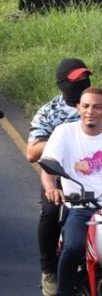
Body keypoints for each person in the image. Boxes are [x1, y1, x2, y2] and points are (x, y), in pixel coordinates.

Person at [28, 59, 91, 296]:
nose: (83, 83)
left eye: (86, 78)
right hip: (62, 177)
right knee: (52, 210)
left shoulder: (96, 105)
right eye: (77, 80)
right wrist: (63, 143)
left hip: (97, 176)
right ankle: (49, 270)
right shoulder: (50, 113)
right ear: (63, 84)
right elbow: (32, 152)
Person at [40, 87, 102, 296]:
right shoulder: (64, 132)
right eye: (85, 106)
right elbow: (49, 165)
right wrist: (51, 188)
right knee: (73, 248)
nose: (90, 111)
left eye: (97, 107)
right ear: (78, 108)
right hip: (79, 208)